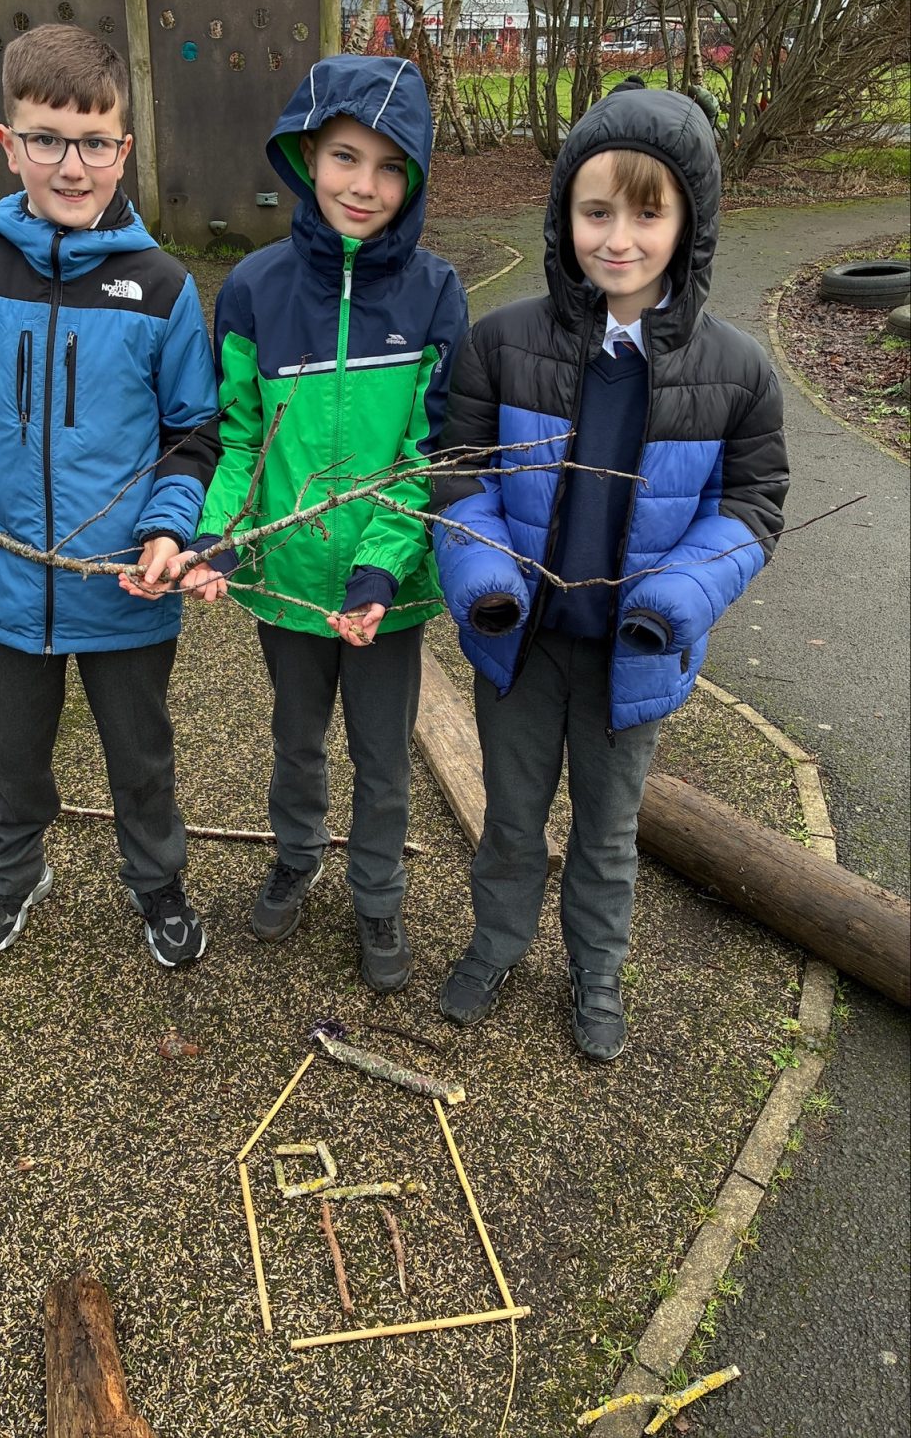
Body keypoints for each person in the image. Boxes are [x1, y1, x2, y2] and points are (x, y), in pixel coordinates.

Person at [431, 79, 788, 1057]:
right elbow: (459, 476)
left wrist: (675, 598)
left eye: (646, 213)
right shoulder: (501, 343)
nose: (618, 238)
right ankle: (497, 943)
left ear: (690, 223)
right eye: (596, 212)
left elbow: (752, 507)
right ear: (564, 215)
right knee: (511, 818)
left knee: (607, 828)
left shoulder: (738, 372)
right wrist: (484, 582)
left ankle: (596, 971)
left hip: (635, 651)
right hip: (521, 645)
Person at [0, 24, 219, 968]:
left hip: (124, 586)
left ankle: (156, 881)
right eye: (47, 139)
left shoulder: (161, 286)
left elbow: (193, 430)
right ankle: (12, 872)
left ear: (124, 147)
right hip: (5, 581)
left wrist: (168, 529)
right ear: (9, 143)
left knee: (140, 755)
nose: (72, 166)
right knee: (13, 751)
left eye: (95, 143)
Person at [164, 55, 468, 994]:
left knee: (383, 755)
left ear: (414, 178)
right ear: (305, 156)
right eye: (345, 157)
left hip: (387, 590)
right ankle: (296, 854)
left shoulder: (435, 292)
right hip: (288, 582)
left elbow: (427, 456)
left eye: (389, 167)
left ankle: (377, 893)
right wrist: (220, 539)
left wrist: (381, 568)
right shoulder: (254, 289)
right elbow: (241, 441)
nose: (364, 185)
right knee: (296, 738)